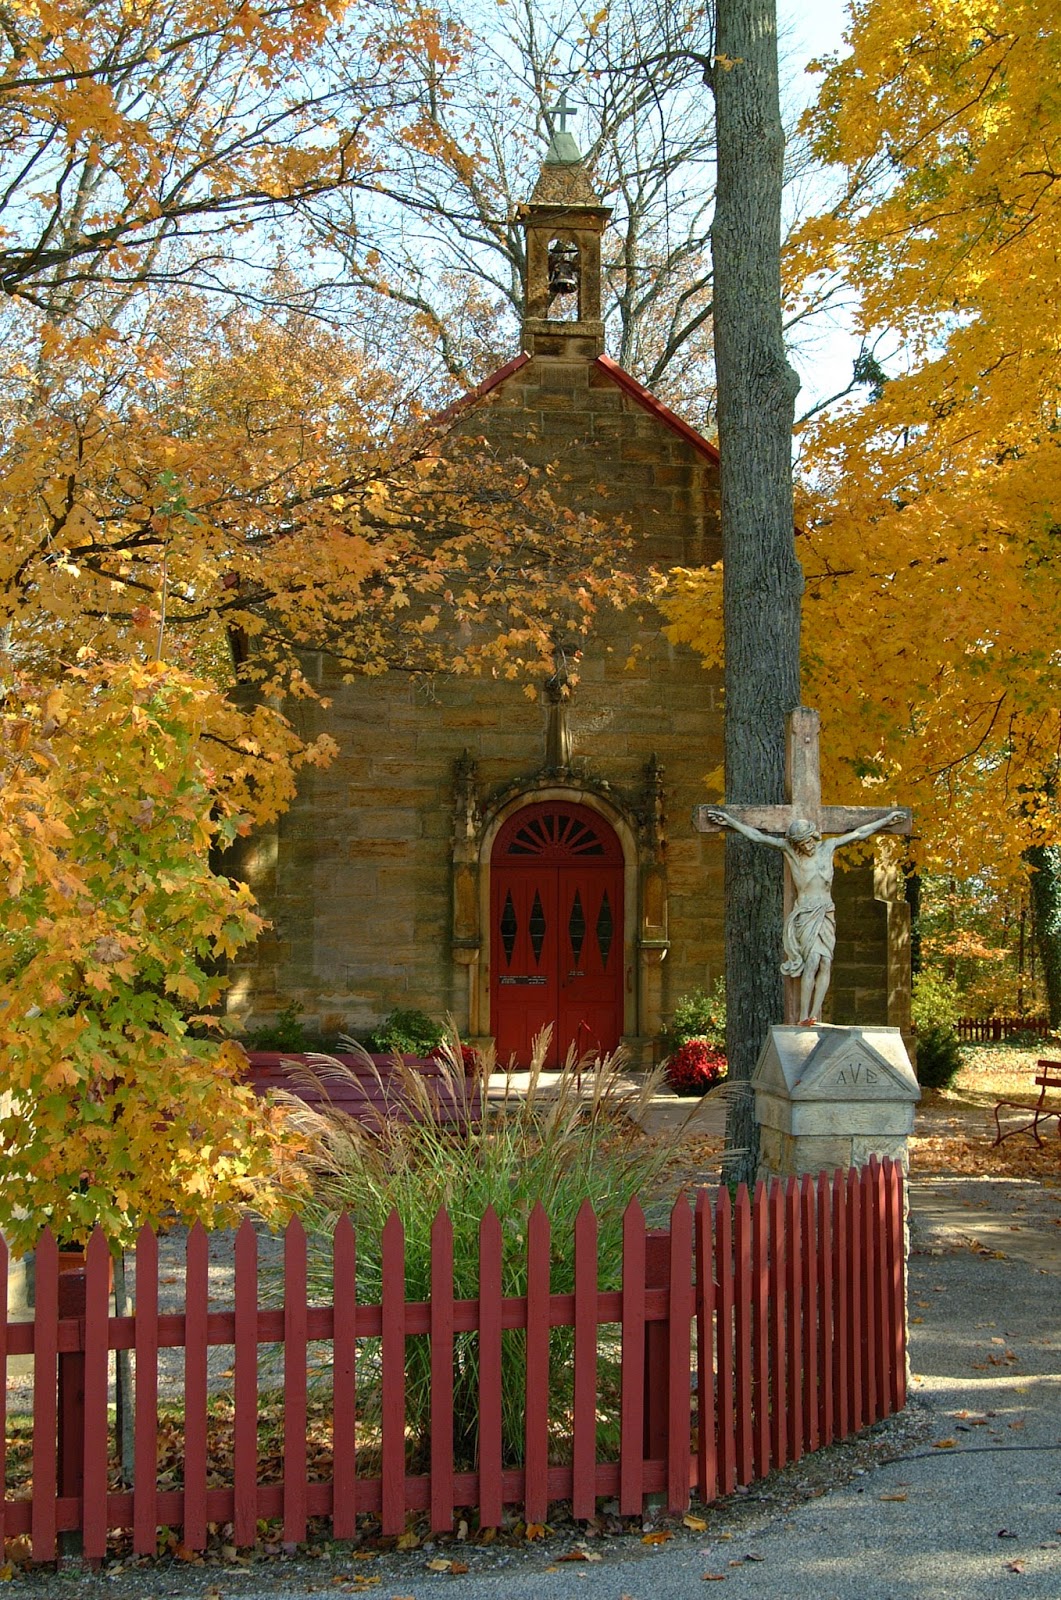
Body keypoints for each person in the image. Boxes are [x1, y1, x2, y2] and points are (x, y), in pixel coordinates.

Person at [705, 808, 905, 1024]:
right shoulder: (790, 852)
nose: (806, 846)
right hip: (806, 914)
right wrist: (730, 821)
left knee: (826, 962)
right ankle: (802, 1015)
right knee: (811, 962)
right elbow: (758, 836)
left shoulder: (828, 847)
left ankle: (814, 1014)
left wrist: (885, 820)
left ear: (813, 836)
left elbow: (858, 833)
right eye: (801, 843)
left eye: (807, 841)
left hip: (826, 911)